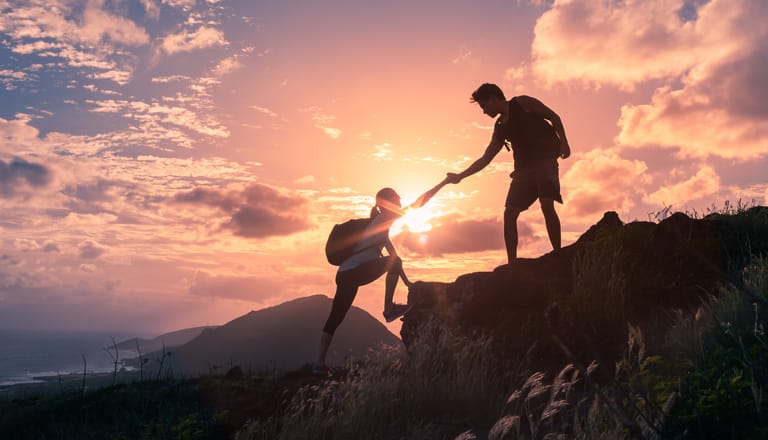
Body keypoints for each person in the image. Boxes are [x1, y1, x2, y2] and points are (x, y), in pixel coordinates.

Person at [315, 178, 448, 373]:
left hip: (345, 274)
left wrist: (407, 283)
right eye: (396, 198)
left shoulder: (380, 228)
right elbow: (419, 203)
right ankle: (388, 309)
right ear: (386, 203)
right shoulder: (383, 219)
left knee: (336, 317)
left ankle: (318, 363)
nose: (400, 200)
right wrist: (443, 183)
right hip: (352, 273)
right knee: (337, 316)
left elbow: (394, 258)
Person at [446, 83, 571, 263]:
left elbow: (554, 117)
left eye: (484, 106)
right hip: (523, 172)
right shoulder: (500, 127)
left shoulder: (523, 103)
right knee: (509, 214)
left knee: (546, 204)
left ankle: (558, 254)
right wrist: (460, 176)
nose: (484, 111)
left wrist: (564, 142)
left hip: (545, 161)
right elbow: (485, 158)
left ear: (493, 99)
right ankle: (512, 263)